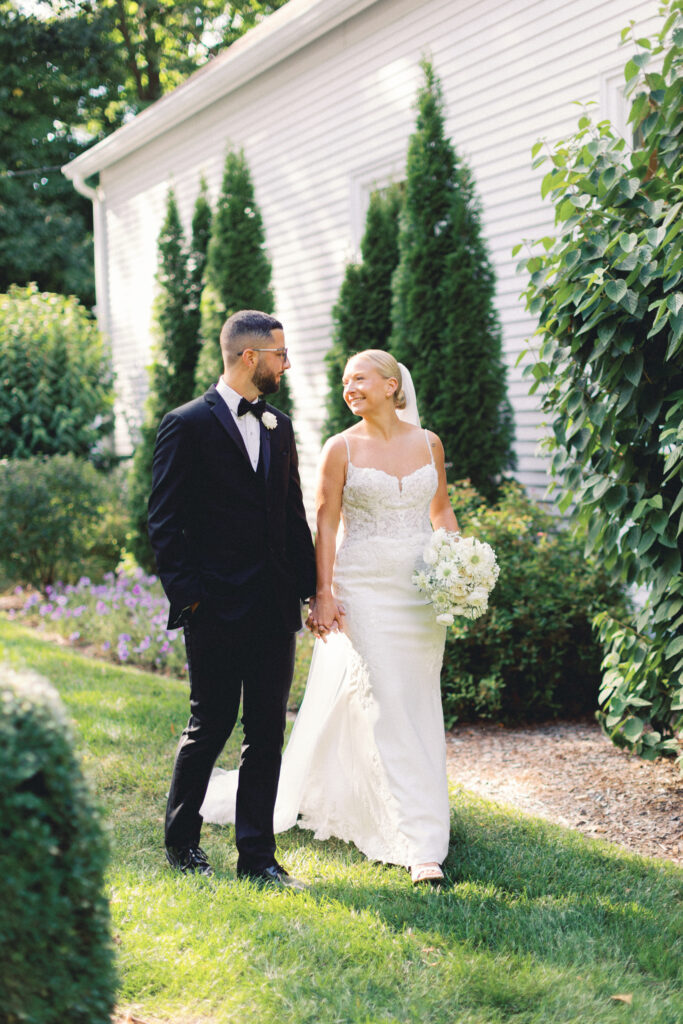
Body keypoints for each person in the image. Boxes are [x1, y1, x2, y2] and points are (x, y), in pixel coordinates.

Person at [200, 349, 459, 885]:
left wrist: (457, 566)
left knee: (415, 700)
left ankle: (397, 801)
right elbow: (326, 522)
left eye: (359, 379)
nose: (350, 388)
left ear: (392, 385)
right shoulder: (341, 448)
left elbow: (441, 512)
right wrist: (323, 591)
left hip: (419, 594)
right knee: (387, 701)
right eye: (345, 382)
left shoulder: (429, 443)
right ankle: (421, 843)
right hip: (362, 589)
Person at [147, 309, 316, 888]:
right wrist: (190, 601)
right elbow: (164, 522)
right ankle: (182, 841)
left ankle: (257, 856)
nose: (286, 365)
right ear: (251, 357)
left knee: (267, 731)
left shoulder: (280, 425)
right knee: (211, 724)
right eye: (280, 355)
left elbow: (292, 512)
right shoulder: (187, 423)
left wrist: (311, 588)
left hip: (273, 607)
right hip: (214, 607)